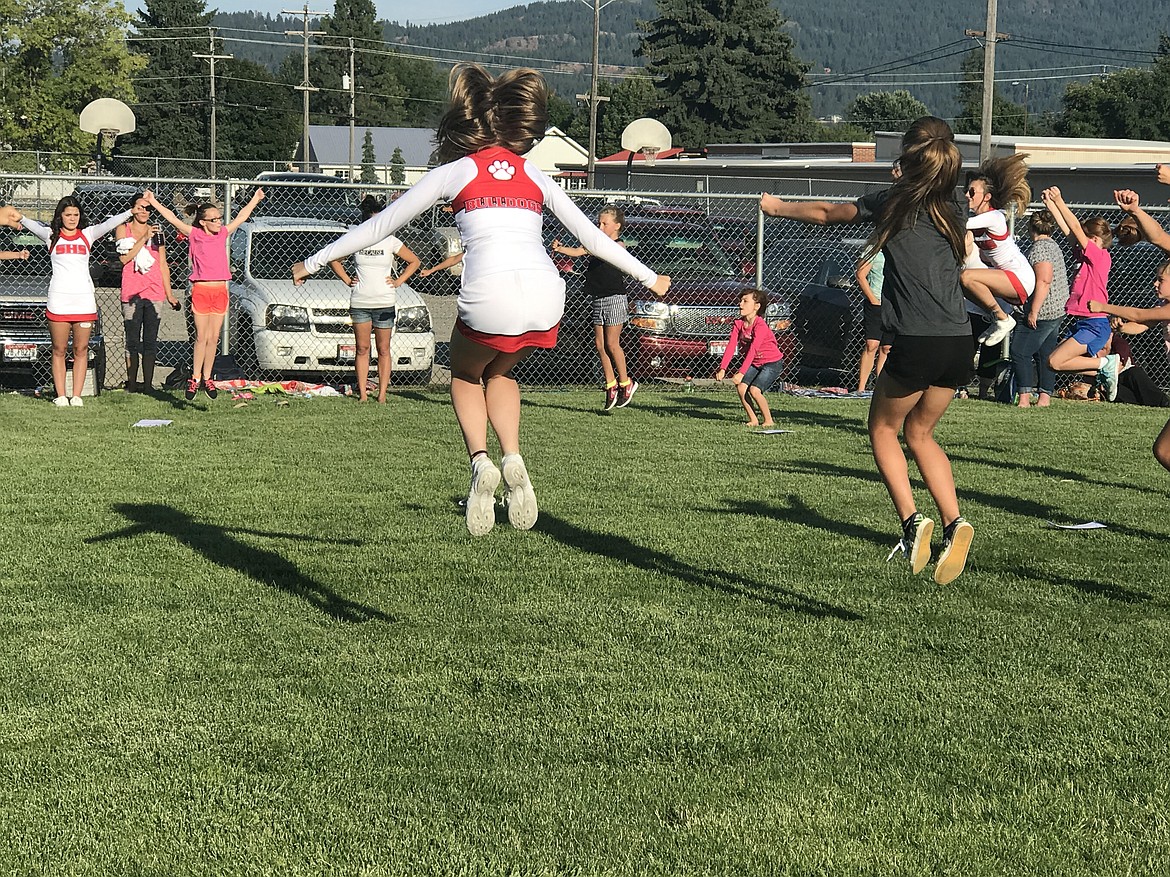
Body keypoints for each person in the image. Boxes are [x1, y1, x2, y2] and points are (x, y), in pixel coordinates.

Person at [292, 64, 670, 537]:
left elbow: (381, 225)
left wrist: (314, 260)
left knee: (467, 374)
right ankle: (513, 456)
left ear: (469, 122)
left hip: (489, 291)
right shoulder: (535, 174)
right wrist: (649, 276)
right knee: (501, 371)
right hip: (544, 292)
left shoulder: (454, 172)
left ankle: (481, 463)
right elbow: (592, 238)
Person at [760, 116, 975, 585]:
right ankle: (955, 521)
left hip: (915, 338)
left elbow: (827, 213)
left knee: (882, 428)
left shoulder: (892, 202)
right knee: (922, 436)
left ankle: (911, 520)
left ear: (908, 157)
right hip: (959, 341)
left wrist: (777, 207)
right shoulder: (955, 202)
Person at [2, 196, 134, 406]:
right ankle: (61, 395)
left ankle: (77, 396)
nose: (72, 218)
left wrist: (130, 212)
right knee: (59, 349)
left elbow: (109, 224)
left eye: (75, 214)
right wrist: (20, 217)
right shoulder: (51, 235)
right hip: (59, 300)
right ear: (60, 216)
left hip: (83, 301)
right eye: (67, 214)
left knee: (81, 350)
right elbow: (30, 224)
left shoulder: (87, 235)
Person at [145, 188, 265, 400]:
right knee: (201, 337)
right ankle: (195, 377)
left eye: (220, 218)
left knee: (214, 338)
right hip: (202, 290)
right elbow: (172, 218)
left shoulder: (223, 234)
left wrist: (255, 199)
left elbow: (242, 216)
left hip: (220, 290)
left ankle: (208, 377)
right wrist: (154, 202)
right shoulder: (196, 235)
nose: (219, 222)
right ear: (203, 222)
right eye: (214, 219)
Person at [327, 194, 421, 403]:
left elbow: (414, 261)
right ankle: (362, 394)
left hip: (385, 302)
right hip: (360, 302)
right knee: (362, 349)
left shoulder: (390, 241)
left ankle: (382, 395)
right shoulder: (356, 238)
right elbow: (334, 259)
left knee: (384, 349)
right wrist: (345, 278)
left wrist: (398, 281)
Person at [551, 205, 640, 410]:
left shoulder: (618, 245)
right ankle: (611, 385)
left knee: (612, 343)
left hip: (615, 298)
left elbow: (607, 253)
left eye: (604, 223)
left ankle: (626, 383)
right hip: (598, 297)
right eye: (598, 223)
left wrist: (592, 244)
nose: (600, 227)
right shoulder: (596, 243)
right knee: (599, 344)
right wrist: (560, 248)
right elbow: (579, 251)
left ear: (617, 226)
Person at [1089, 259, 1170, 470]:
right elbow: (1141, 324)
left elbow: (1140, 314)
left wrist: (1102, 306)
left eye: (1160, 279)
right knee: (1163, 451)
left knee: (1163, 449)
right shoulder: (1163, 307)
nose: (1154, 284)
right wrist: (1121, 327)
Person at [1042, 187, 1120, 400]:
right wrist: (1051, 205)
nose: (1081, 241)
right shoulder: (1083, 254)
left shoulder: (1100, 255)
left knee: (1055, 361)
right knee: (1053, 363)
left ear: (1095, 239)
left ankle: (1106, 363)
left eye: (1086, 238)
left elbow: (1075, 227)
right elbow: (1069, 231)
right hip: (1081, 321)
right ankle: (1103, 368)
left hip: (1094, 322)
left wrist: (1060, 200)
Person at [961, 154, 1034, 346]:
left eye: (971, 191)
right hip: (1004, 275)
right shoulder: (978, 222)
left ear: (987, 197)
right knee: (961, 282)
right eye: (966, 190)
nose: (967, 195)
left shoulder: (994, 217)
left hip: (1020, 277)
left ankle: (1002, 318)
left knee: (966, 277)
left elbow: (962, 223)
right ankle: (998, 316)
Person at [117, 192, 179, 393]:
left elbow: (162, 263)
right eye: (140, 207)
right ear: (133, 209)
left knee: (150, 342)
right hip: (132, 293)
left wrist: (169, 294)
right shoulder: (123, 230)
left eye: (148, 208)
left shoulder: (157, 232)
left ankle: (149, 384)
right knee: (132, 341)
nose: (144, 211)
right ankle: (133, 384)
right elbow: (124, 259)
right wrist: (143, 238)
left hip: (154, 292)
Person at [1011, 209, 1070, 408]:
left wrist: (1033, 311)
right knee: (1045, 354)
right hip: (1057, 309)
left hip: (1043, 311)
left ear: (1031, 227)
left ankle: (1025, 398)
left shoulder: (1040, 249)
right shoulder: (1053, 245)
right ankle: (1044, 397)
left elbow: (1044, 281)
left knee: (1020, 352)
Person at [714, 289, 784, 427]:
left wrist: (741, 372)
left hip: (771, 363)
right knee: (741, 388)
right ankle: (753, 419)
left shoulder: (760, 325)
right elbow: (731, 345)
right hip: (755, 362)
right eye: (740, 301)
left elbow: (753, 350)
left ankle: (769, 420)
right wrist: (723, 368)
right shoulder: (738, 324)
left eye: (745, 301)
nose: (740, 304)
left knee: (754, 390)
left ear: (757, 306)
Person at [855, 249, 889, 392]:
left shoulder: (900, 249)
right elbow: (860, 275)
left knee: (886, 348)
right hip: (875, 303)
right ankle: (861, 388)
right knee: (872, 345)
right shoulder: (873, 250)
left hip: (892, 305)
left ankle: (881, 389)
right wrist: (873, 300)